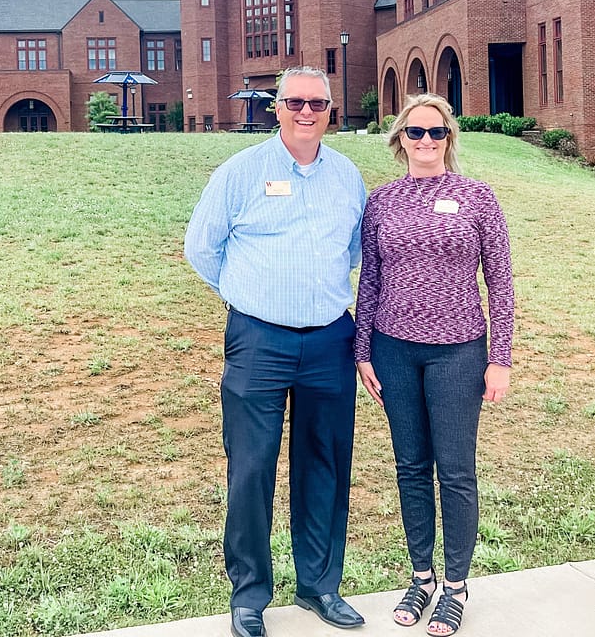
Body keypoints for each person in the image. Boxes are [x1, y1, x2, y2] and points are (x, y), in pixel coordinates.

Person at [185, 66, 367, 637]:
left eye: (317, 102)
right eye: (295, 102)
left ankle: (319, 586)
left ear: (330, 110)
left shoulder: (347, 177)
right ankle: (249, 595)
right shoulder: (242, 171)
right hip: (258, 340)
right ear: (277, 107)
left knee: (325, 466)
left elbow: (356, 250)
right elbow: (201, 248)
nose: (306, 111)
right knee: (252, 467)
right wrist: (246, 299)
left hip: (331, 340)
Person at [354, 93, 514, 636]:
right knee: (410, 467)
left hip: (459, 351)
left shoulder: (477, 197)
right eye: (415, 133)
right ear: (400, 139)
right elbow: (370, 278)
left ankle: (455, 586)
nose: (426, 142)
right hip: (393, 349)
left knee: (456, 471)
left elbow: (501, 282)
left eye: (436, 132)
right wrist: (361, 350)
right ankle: (420, 577)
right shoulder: (381, 201)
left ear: (450, 139)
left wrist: (500, 358)